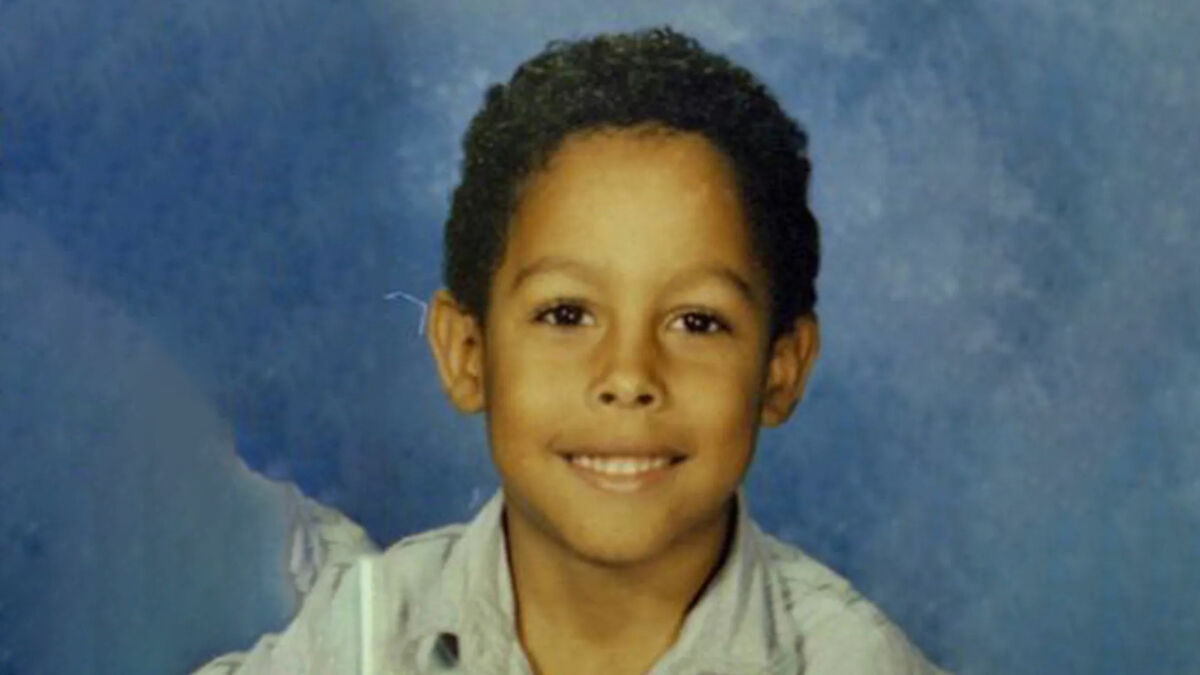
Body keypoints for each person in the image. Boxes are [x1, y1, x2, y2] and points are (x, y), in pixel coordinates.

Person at [193, 26, 949, 675]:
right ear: (466, 353)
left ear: (782, 369)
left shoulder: (853, 661)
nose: (628, 375)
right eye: (566, 313)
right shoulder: (369, 633)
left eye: (696, 322)